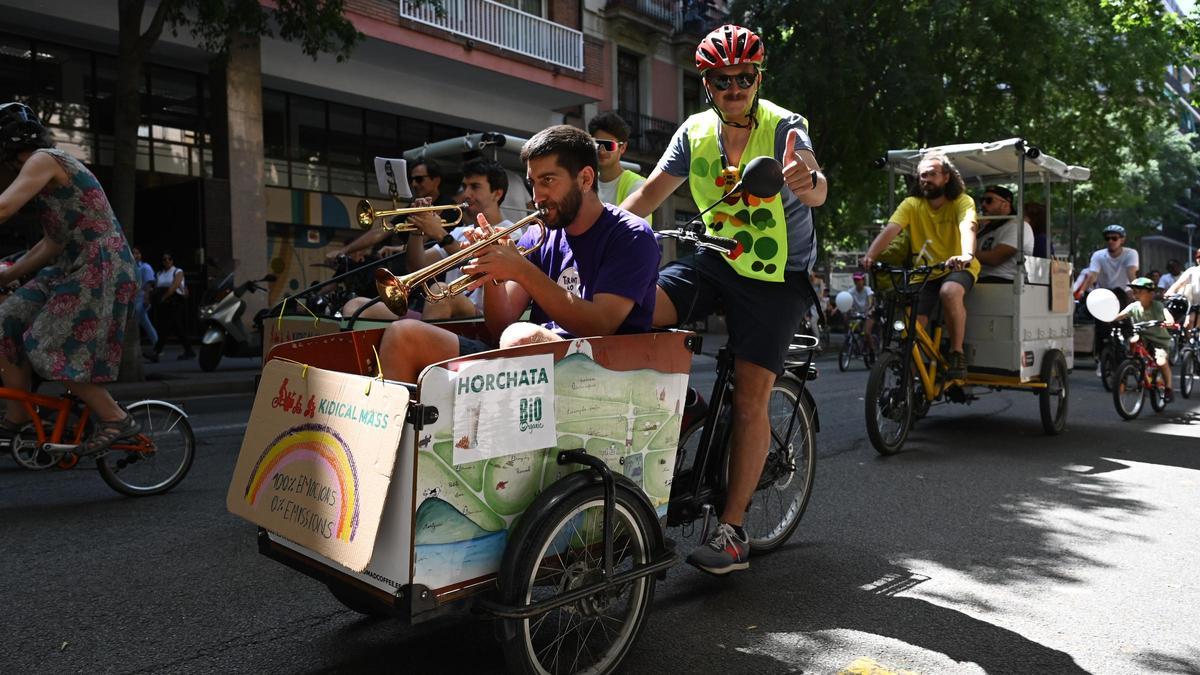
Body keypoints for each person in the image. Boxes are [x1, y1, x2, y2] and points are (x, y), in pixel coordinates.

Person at [620, 24, 827, 575]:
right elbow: (646, 195)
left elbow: (816, 184)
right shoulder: (693, 132)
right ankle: (686, 402)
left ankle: (732, 532)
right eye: (721, 78)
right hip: (714, 256)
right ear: (706, 83)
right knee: (632, 313)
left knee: (750, 398)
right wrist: (594, 232)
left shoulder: (787, 126)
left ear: (757, 78)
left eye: (744, 77)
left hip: (778, 273)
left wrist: (806, 180)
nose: (734, 86)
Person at [377, 124, 659, 383]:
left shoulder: (630, 234)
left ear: (585, 179)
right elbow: (500, 324)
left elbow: (601, 324)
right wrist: (492, 272)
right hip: (530, 363)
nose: (537, 196)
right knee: (402, 335)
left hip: (599, 373)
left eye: (548, 180)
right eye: (532, 183)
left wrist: (522, 270)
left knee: (520, 337)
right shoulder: (539, 233)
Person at [0, 102, 141, 455]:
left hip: (100, 265)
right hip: (70, 264)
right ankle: (17, 414)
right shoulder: (44, 179)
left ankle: (115, 418)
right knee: (6, 322)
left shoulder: (44, 159)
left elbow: (2, 209)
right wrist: (7, 277)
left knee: (50, 349)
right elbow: (52, 243)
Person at [341, 160, 523, 321]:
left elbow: (480, 264)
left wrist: (440, 234)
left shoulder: (511, 233)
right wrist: (417, 230)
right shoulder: (461, 231)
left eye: (475, 187)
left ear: (497, 194)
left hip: (478, 316)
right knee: (355, 306)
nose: (466, 194)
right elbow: (416, 267)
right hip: (440, 308)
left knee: (440, 291)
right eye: (465, 186)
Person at [862, 153, 978, 380]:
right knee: (909, 325)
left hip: (957, 268)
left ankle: (956, 351)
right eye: (922, 175)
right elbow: (891, 230)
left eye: (932, 174)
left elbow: (968, 226)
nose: (925, 179)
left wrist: (966, 254)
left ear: (946, 177)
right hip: (925, 273)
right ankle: (912, 380)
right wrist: (870, 256)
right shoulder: (911, 205)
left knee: (950, 291)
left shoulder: (962, 201)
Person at [326, 159, 457, 264]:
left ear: (436, 180)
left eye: (419, 179)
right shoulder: (413, 207)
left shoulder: (447, 206)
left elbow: (427, 241)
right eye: (411, 180)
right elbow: (383, 230)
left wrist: (396, 249)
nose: (414, 184)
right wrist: (344, 251)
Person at [1076, 224, 1138, 373]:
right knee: (1102, 329)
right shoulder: (1098, 255)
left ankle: (1131, 353)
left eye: (1114, 238)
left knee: (1127, 326)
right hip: (1104, 295)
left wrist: (1136, 292)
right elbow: (1092, 275)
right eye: (1108, 238)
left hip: (1123, 293)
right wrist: (1082, 291)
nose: (1111, 241)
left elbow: (1131, 273)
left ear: (1122, 240)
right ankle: (1102, 358)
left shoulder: (1130, 254)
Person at [1115, 277, 1176, 402]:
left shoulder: (1157, 306)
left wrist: (1169, 322)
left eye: (1139, 291)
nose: (1135, 293)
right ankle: (1133, 366)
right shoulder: (1133, 306)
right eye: (1134, 291)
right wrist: (1109, 317)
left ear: (1151, 294)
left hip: (1159, 340)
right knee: (1132, 342)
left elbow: (1167, 314)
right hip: (1143, 337)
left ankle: (1169, 388)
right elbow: (1120, 315)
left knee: (1161, 362)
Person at [586, 112, 650, 224]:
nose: (602, 151)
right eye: (597, 144)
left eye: (609, 145)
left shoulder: (637, 185)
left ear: (623, 148)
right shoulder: (585, 183)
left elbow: (635, 232)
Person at [975, 185, 1033, 282]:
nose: (983, 204)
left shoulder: (1018, 226)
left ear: (1005, 204)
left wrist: (963, 255)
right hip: (980, 278)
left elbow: (994, 258)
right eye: (982, 200)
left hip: (1004, 280)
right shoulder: (985, 228)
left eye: (989, 200)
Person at [149, 251, 195, 361]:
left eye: (168, 259)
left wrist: (164, 297)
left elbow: (174, 286)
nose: (166, 261)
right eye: (164, 259)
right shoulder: (159, 273)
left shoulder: (177, 271)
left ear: (172, 260)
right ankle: (189, 350)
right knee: (176, 327)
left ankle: (156, 352)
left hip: (175, 301)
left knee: (166, 327)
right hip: (164, 304)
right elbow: (156, 287)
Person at [1165, 248, 1200, 330]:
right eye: (1198, 257)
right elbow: (1179, 283)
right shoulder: (1192, 271)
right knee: (1188, 323)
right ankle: (1190, 342)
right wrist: (1169, 292)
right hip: (1195, 305)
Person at [131, 246, 159, 349]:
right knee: (145, 322)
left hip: (142, 297)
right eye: (133, 253)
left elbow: (149, 284)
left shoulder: (145, 267)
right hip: (135, 298)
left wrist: (147, 298)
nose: (135, 255)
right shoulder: (131, 267)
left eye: (137, 253)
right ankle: (157, 344)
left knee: (135, 321)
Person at [848, 271, 876, 352]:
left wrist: (868, 309)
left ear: (863, 280)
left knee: (867, 333)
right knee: (852, 329)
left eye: (859, 280)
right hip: (858, 314)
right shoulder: (851, 291)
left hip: (868, 314)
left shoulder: (867, 290)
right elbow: (849, 302)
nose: (857, 282)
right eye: (855, 280)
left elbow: (870, 301)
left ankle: (872, 351)